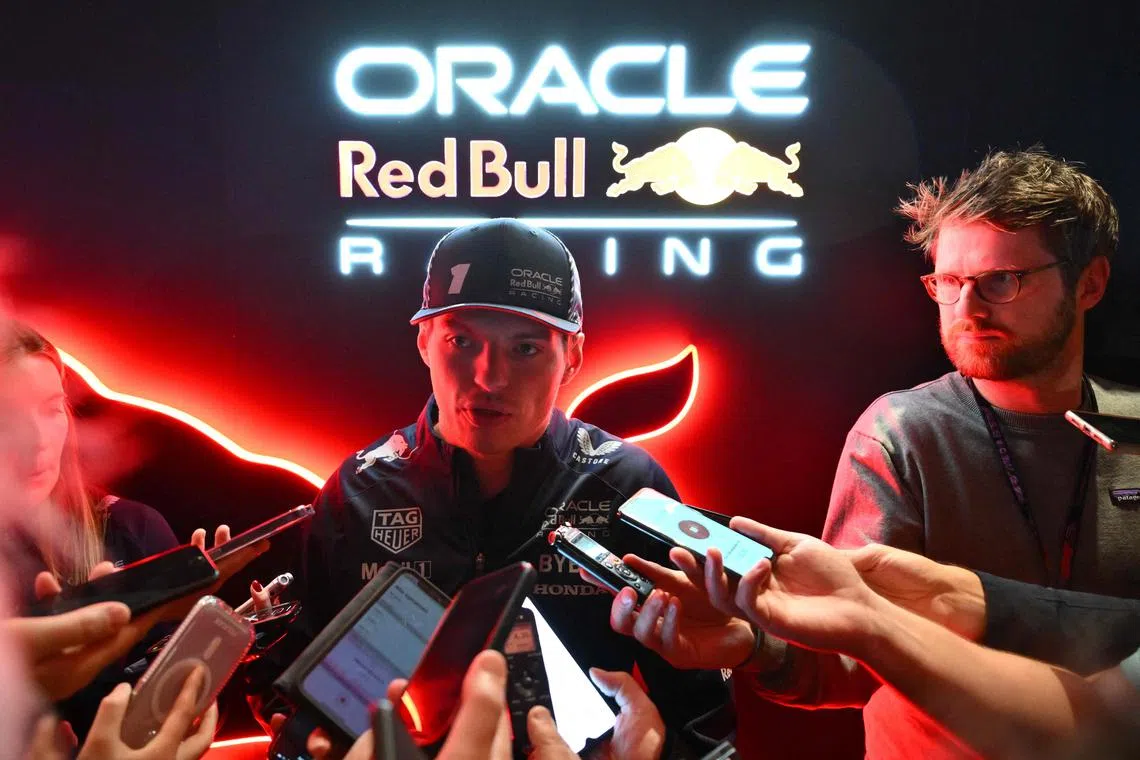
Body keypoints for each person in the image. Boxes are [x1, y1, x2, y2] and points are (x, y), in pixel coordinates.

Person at [252, 218, 727, 755]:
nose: (489, 377)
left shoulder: (627, 485)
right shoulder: (357, 492)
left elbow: (703, 714)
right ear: (425, 342)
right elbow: (291, 688)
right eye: (461, 340)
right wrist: (308, 740)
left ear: (572, 356)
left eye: (525, 348)